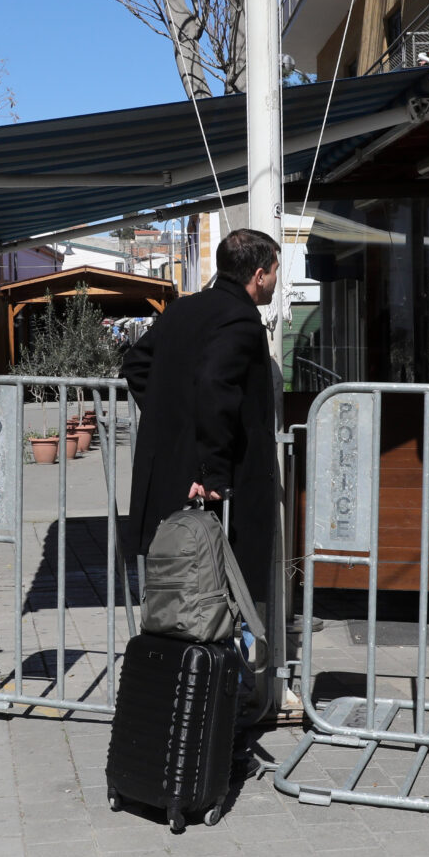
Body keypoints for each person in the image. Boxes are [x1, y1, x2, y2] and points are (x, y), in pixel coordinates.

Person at [121, 227, 282, 625]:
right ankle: (233, 677)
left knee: (179, 586)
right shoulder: (241, 320)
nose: (279, 282)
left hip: (174, 468)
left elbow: (136, 364)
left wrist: (170, 414)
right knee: (220, 588)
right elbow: (214, 384)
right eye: (277, 271)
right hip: (218, 481)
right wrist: (213, 469)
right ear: (259, 274)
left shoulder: (183, 308)